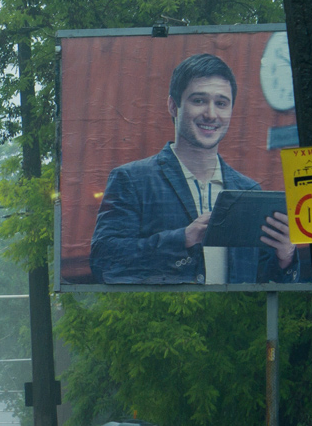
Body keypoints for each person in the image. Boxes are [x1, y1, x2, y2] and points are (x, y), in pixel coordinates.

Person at [90, 53, 300, 285]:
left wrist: (285, 257)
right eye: (199, 100)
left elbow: (263, 289)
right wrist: (183, 239)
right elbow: (103, 261)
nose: (211, 114)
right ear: (173, 106)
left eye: (221, 103)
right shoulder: (132, 180)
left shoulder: (249, 190)